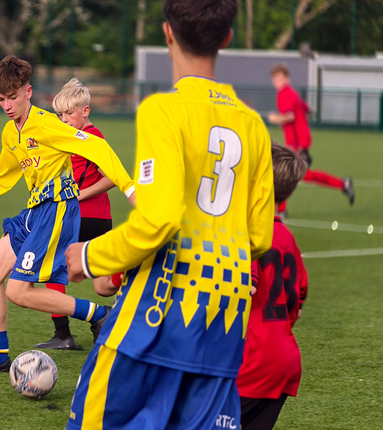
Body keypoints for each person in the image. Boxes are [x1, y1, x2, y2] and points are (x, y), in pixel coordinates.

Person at [64, 0, 275, 428]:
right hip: (223, 322)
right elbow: (259, 237)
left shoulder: (164, 110)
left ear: (167, 34)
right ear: (227, 38)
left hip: (157, 316)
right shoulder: (254, 124)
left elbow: (158, 219)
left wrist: (88, 256)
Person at [0, 56, 136, 372]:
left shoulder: (48, 124)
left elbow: (98, 149)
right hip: (33, 211)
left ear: (28, 91)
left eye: (13, 96)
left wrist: (131, 189)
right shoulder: (11, 133)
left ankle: (101, 316)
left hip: (57, 210)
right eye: (1, 99)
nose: (7, 105)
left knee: (18, 290)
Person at [36, 78, 128, 351]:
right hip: (97, 217)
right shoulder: (75, 135)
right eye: (60, 115)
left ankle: (63, 335)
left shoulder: (91, 136)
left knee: (52, 270)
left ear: (85, 111)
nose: (64, 120)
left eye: (69, 114)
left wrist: (78, 194)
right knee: (102, 286)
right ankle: (130, 272)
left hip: (83, 215)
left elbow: (112, 177)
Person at [238, 144, 309, 430]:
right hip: (284, 360)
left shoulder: (247, 231)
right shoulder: (285, 235)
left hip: (250, 363)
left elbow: (245, 287)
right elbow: (298, 305)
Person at [266, 63, 354, 215]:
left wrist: (276, 119)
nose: (277, 81)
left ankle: (281, 210)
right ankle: (343, 184)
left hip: (297, 143)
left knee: (288, 173)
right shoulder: (293, 93)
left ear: (287, 78)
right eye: (275, 78)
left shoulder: (284, 94)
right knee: (297, 174)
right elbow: (307, 110)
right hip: (302, 140)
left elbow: (290, 116)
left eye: (280, 77)